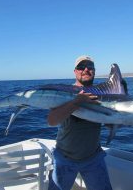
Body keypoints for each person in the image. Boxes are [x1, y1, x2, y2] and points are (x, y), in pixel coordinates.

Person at [47, 55, 113, 190]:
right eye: (81, 67)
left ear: (94, 71)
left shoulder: (101, 94)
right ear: (75, 71)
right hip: (64, 158)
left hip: (93, 158)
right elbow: (52, 121)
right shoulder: (63, 92)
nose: (86, 70)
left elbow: (108, 121)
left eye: (90, 67)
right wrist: (76, 102)